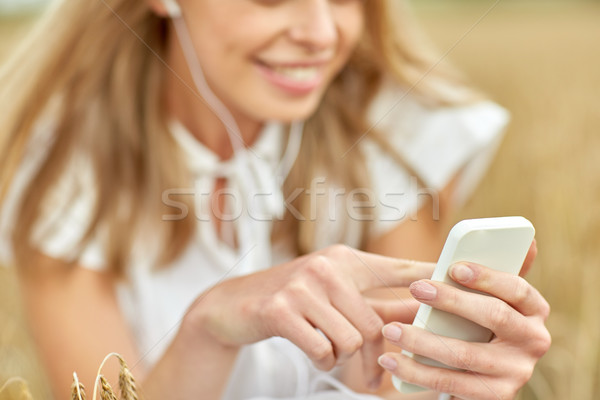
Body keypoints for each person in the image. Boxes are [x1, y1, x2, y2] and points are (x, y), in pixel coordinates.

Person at [0, 0, 551, 399]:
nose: (320, 33)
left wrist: (449, 382)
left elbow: (390, 385)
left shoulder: (400, 130)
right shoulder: (57, 167)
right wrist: (207, 326)